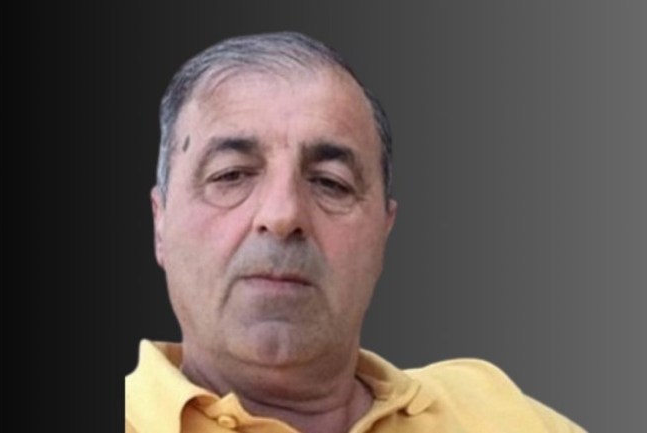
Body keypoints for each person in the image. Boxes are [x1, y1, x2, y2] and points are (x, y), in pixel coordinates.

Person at [125, 31, 586, 433]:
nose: (283, 214)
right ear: (160, 222)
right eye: (231, 175)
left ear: (384, 232)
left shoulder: (499, 411)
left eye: (331, 183)